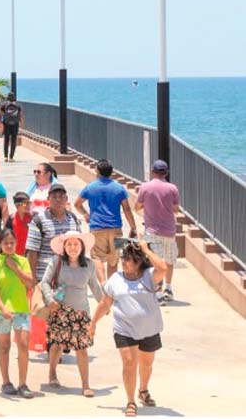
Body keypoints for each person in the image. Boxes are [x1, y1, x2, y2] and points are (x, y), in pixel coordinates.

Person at [91, 240, 167, 417]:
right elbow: (105, 303)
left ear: (138, 262)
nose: (123, 262)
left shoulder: (149, 276)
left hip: (149, 329)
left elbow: (163, 268)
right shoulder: (116, 279)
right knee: (129, 363)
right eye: (122, 258)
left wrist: (146, 250)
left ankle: (143, 390)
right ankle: (130, 401)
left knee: (146, 364)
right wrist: (93, 323)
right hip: (124, 329)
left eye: (127, 259)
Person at [41, 230, 103, 396]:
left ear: (82, 246)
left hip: (81, 313)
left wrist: (104, 304)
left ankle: (85, 385)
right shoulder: (56, 261)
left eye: (76, 244)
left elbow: (95, 286)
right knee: (57, 344)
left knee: (82, 349)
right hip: (59, 310)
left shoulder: (89, 264)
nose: (73, 247)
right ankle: (52, 374)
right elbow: (44, 282)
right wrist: (50, 300)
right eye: (69, 244)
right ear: (64, 246)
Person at [25, 184, 81, 354]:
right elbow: (32, 251)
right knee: (51, 312)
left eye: (61, 196)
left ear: (66, 199)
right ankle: (54, 349)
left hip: (69, 276)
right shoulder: (39, 221)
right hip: (46, 277)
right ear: (48, 199)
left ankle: (61, 342)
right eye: (54, 196)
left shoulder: (73, 219)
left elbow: (80, 246)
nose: (58, 200)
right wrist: (33, 278)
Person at [0, 229, 35, 399]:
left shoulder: (23, 261)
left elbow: (30, 283)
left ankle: (23, 383)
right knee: (5, 346)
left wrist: (15, 268)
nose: (8, 246)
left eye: (12, 243)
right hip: (1, 311)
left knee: (23, 345)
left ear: (16, 243)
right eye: (5, 243)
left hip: (21, 309)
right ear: (0, 244)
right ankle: (6, 382)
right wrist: (3, 308)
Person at [75, 159, 138, 281]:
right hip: (116, 228)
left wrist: (86, 214)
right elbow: (127, 209)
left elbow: (77, 204)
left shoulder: (90, 187)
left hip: (96, 228)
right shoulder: (119, 188)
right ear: (111, 172)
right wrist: (133, 227)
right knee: (113, 260)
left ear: (97, 171)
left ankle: (103, 283)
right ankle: (111, 285)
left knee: (97, 257)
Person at [135, 160, 180, 304]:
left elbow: (137, 206)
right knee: (169, 260)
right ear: (166, 173)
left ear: (152, 172)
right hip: (169, 230)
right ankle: (169, 288)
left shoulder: (145, 187)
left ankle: (159, 293)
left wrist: (147, 207)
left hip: (152, 231)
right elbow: (176, 209)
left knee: (156, 262)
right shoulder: (173, 188)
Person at [0, 92, 23, 162]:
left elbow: (0, 114)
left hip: (6, 124)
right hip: (15, 124)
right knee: (13, 140)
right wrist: (21, 124)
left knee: (6, 140)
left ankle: (6, 157)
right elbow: (20, 115)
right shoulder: (18, 105)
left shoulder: (4, 105)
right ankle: (11, 157)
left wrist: (0, 122)